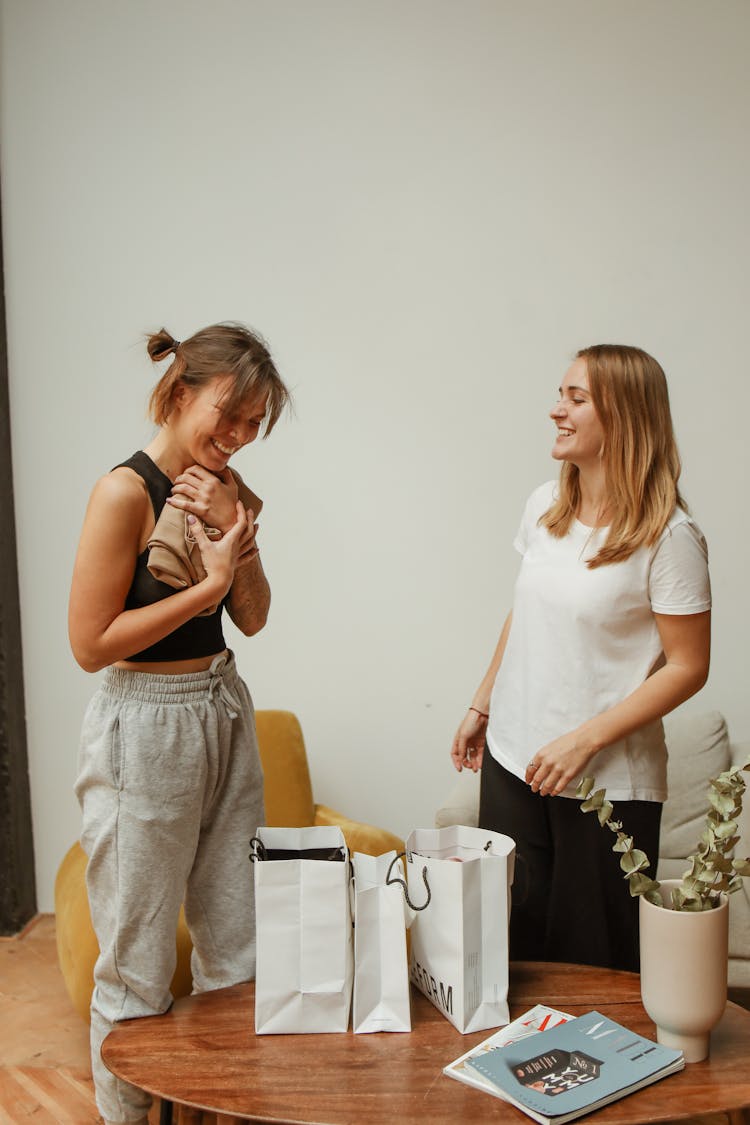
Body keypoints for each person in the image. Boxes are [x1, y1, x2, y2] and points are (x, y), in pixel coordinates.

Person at [69, 321, 290, 1125]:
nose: (236, 437)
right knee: (135, 967)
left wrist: (240, 540)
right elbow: (90, 644)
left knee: (241, 948)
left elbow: (255, 619)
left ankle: (225, 1111)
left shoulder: (224, 489)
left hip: (222, 707)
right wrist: (208, 586)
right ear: (178, 391)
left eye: (251, 424)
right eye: (227, 415)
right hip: (146, 727)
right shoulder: (123, 493)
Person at [450, 344, 711, 973]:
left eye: (575, 398)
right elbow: (527, 613)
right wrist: (483, 702)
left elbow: (688, 666)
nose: (556, 411)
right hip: (516, 760)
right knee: (510, 952)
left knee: (594, 964)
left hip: (605, 782)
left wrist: (582, 742)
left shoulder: (669, 536)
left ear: (622, 415)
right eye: (559, 395)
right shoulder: (546, 506)